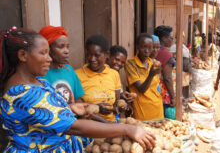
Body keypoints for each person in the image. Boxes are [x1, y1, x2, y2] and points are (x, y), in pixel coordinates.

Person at [0, 28, 155, 152]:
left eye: (48, 53)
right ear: (22, 55)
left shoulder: (36, 80)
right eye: (43, 53)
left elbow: (42, 115)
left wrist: (70, 108)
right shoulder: (23, 94)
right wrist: (127, 129)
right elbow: (75, 127)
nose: (49, 58)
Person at [75, 35, 122, 122]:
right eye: (89, 54)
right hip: (89, 128)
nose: (92, 59)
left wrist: (121, 107)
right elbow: (78, 107)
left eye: (97, 55)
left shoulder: (114, 74)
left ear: (106, 55)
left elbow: (116, 103)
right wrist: (97, 108)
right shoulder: (77, 75)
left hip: (112, 124)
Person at [39, 25, 84, 104]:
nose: (66, 51)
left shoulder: (68, 70)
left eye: (67, 47)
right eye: (61, 47)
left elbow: (78, 100)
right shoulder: (40, 73)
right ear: (47, 49)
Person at [125, 33, 163, 121]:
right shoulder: (130, 64)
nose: (147, 51)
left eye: (150, 47)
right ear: (137, 47)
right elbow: (141, 89)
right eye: (143, 47)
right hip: (143, 111)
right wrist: (151, 75)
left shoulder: (152, 63)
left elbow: (156, 87)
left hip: (157, 108)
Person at [154, 26, 176, 108]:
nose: (172, 40)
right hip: (162, 91)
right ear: (164, 38)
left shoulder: (152, 51)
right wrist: (173, 97)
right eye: (171, 37)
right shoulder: (166, 53)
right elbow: (167, 78)